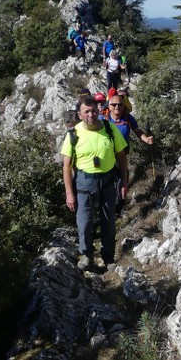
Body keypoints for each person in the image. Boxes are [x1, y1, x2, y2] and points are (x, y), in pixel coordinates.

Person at [61, 96, 129, 271]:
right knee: (84, 222)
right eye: (86, 111)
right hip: (84, 182)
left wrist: (124, 181)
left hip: (107, 180)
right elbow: (67, 166)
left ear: (98, 111)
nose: (91, 114)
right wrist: (69, 193)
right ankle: (87, 255)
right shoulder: (73, 134)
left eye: (93, 111)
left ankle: (108, 257)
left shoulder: (109, 128)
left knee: (108, 221)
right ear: (80, 114)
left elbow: (122, 156)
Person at [106, 94, 153, 213]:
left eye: (120, 104)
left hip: (122, 155)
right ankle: (107, 204)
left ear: (123, 106)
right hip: (107, 155)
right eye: (114, 104)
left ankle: (118, 206)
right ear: (109, 106)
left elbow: (137, 131)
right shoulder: (104, 120)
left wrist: (146, 139)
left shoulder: (127, 118)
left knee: (123, 178)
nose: (117, 106)